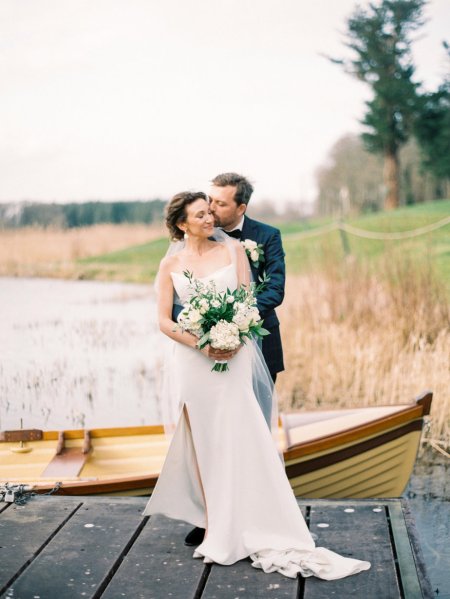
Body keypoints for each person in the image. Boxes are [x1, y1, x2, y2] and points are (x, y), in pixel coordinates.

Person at [143, 190, 370, 580]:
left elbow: (248, 303)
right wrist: (202, 341)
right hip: (194, 362)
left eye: (210, 212)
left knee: (244, 433)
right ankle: (216, 526)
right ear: (182, 224)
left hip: (234, 357)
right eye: (200, 215)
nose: (209, 218)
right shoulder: (171, 265)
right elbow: (164, 321)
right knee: (206, 444)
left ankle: (258, 518)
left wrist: (231, 336)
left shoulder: (234, 253)